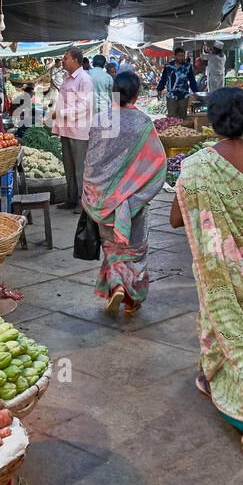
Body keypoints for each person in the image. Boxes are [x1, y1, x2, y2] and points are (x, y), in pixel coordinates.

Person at [171, 87, 243, 456]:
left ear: (213, 122)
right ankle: (213, 379)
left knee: (217, 317)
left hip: (218, 266)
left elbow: (175, 219)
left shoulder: (197, 166)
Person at [81, 72, 166, 317]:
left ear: (112, 93)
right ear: (137, 95)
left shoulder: (100, 120)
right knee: (135, 248)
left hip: (104, 199)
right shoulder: (143, 123)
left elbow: (92, 160)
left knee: (111, 245)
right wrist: (135, 193)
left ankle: (117, 284)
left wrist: (91, 192)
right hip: (134, 200)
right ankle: (131, 300)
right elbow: (157, 162)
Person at [51, 46, 94, 210]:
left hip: (79, 131)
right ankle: (71, 199)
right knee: (68, 167)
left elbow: (85, 107)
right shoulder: (68, 78)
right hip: (66, 129)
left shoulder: (85, 80)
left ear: (75, 60)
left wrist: (60, 113)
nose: (63, 60)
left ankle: (83, 204)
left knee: (79, 169)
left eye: (65, 58)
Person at [156, 47, 199, 118]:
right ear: (175, 56)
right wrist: (159, 90)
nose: (181, 58)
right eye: (179, 56)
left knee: (183, 117)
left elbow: (192, 81)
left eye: (183, 56)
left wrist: (196, 93)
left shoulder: (187, 67)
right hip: (171, 96)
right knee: (172, 117)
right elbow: (163, 79)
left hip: (184, 95)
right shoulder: (168, 66)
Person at [87, 54, 114, 128]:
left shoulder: (86, 74)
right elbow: (111, 94)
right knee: (101, 131)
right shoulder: (108, 77)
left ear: (92, 63)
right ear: (104, 64)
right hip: (103, 107)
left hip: (89, 106)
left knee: (90, 130)